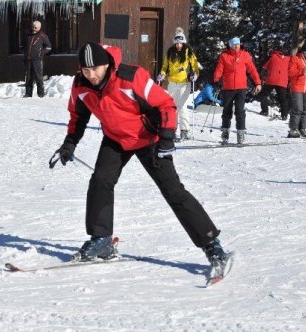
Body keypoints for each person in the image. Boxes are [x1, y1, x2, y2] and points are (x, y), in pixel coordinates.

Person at [50, 42, 230, 272]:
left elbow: (166, 104)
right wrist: (69, 143)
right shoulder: (80, 85)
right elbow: (78, 115)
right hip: (116, 138)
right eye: (86, 70)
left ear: (107, 64)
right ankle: (101, 239)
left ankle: (211, 243)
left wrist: (166, 138)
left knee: (173, 190)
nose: (91, 75)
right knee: (100, 181)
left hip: (150, 138)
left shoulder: (130, 77)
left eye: (95, 69)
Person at [213, 37, 262, 144]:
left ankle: (240, 133)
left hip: (241, 88)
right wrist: (217, 81)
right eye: (234, 44)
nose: (236, 46)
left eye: (238, 44)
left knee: (240, 111)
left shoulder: (245, 55)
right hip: (228, 88)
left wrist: (257, 83)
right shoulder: (224, 56)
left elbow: (252, 70)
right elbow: (219, 70)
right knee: (227, 111)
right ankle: (225, 131)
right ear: (230, 45)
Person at [157, 28, 199, 140]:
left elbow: (195, 66)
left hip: (184, 83)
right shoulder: (170, 52)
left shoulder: (188, 52)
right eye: (177, 43)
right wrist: (162, 74)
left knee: (181, 106)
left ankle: (184, 131)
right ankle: (172, 130)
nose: (179, 45)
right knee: (172, 107)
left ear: (183, 42)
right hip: (172, 83)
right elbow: (165, 66)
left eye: (180, 43)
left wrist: (194, 74)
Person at [258, 48, 290, 120]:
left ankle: (265, 111)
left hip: (271, 80)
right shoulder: (288, 59)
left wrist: (263, 77)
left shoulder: (272, 56)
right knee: (283, 99)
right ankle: (284, 115)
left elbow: (264, 67)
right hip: (282, 81)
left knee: (263, 94)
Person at [23, 20, 51, 98]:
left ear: (39, 27)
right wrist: (24, 56)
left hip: (37, 60)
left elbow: (49, 47)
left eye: (35, 27)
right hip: (28, 60)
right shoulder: (28, 35)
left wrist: (41, 53)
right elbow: (24, 46)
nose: (34, 28)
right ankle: (28, 94)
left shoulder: (43, 36)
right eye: (33, 26)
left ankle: (41, 94)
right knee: (28, 78)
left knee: (38, 77)